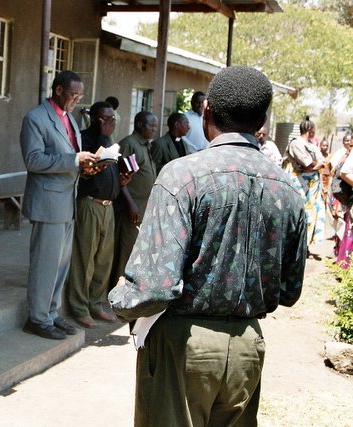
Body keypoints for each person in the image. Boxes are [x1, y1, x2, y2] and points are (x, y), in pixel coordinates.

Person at [109, 66, 307, 427]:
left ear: (207, 113)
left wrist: (120, 298)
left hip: (183, 347)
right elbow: (290, 290)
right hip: (247, 347)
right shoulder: (288, 190)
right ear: (262, 120)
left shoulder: (183, 176)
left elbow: (154, 287)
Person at [19, 70, 99, 340]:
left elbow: (70, 158)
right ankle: (37, 318)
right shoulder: (36, 118)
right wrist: (75, 161)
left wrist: (86, 167)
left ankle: (51, 314)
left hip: (67, 201)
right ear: (58, 91)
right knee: (45, 263)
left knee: (61, 263)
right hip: (48, 202)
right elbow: (33, 160)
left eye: (80, 95)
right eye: (73, 94)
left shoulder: (70, 119)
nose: (77, 99)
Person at [66, 101, 130, 329]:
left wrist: (121, 179)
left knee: (104, 259)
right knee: (85, 258)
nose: (110, 123)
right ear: (94, 118)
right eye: (105, 118)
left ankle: (96, 302)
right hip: (90, 204)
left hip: (108, 207)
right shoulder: (84, 140)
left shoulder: (108, 142)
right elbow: (81, 173)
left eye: (113, 118)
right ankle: (79, 307)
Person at [109, 111, 158, 291]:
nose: (154, 129)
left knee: (133, 251)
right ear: (139, 125)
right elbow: (120, 178)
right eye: (150, 126)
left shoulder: (145, 145)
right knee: (124, 251)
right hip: (130, 209)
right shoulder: (130, 144)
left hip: (142, 208)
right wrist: (131, 204)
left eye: (155, 126)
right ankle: (117, 291)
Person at [282, 116, 326, 248]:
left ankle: (304, 245)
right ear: (309, 129)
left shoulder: (312, 145)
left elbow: (321, 162)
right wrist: (314, 166)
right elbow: (307, 164)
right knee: (298, 212)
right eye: (313, 130)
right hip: (299, 185)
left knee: (311, 214)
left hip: (311, 187)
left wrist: (314, 166)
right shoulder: (296, 143)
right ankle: (293, 244)